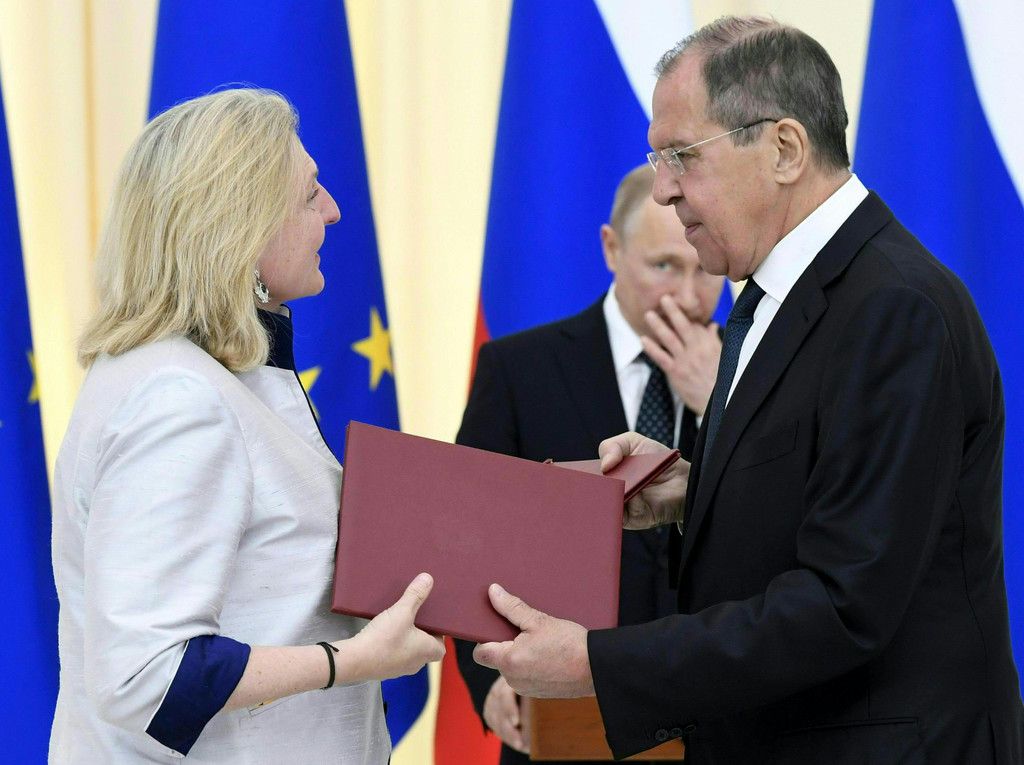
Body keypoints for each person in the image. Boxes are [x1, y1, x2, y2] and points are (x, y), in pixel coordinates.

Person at [473, 16, 1024, 764]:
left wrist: (597, 664)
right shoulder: (771, 298)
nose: (662, 190)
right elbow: (824, 494)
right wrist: (693, 491)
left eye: (681, 156)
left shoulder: (896, 310)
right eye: (657, 160)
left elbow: (844, 602)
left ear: (785, 150)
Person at [49, 88, 445, 762]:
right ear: (243, 226)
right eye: (310, 194)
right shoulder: (177, 396)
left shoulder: (209, 373)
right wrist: (350, 660)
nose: (333, 210)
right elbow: (144, 675)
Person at [453, 163, 724, 763]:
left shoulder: (753, 371)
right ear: (611, 249)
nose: (688, 296)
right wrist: (490, 678)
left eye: (705, 268)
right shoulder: (521, 370)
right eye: (664, 266)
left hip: (714, 723)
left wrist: (719, 404)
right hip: (558, 720)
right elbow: (466, 540)